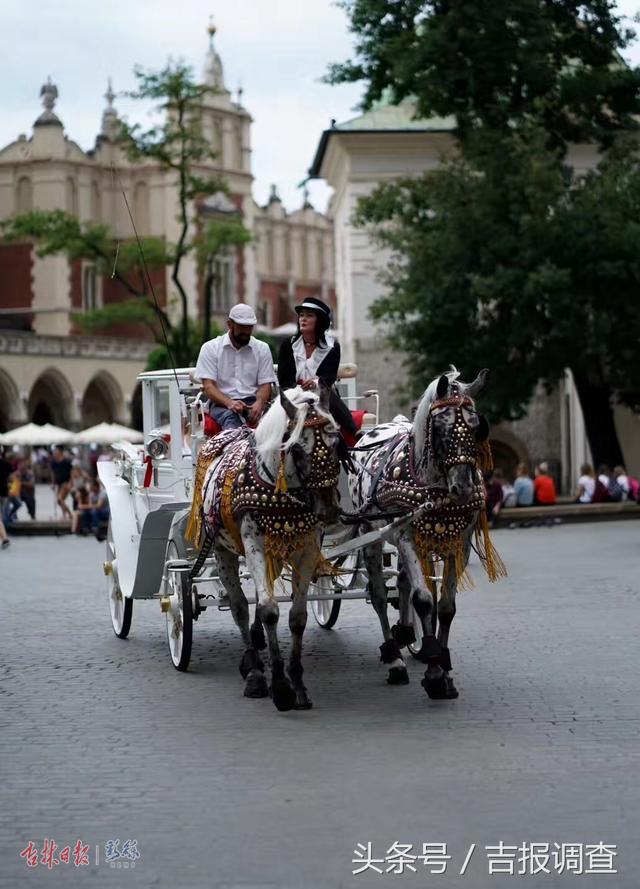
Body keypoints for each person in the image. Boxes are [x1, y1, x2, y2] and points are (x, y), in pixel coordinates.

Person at [277, 296, 358, 436]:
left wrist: (314, 383)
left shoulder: (332, 348)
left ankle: (354, 433)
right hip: (292, 393)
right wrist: (298, 389)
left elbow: (328, 378)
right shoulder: (287, 345)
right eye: (301, 315)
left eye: (309, 315)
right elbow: (284, 379)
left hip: (321, 395)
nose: (303, 319)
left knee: (327, 393)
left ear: (319, 321)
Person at [194, 303, 276, 431]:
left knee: (277, 423)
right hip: (221, 404)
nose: (246, 331)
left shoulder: (262, 348)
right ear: (229, 324)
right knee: (231, 419)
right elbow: (208, 387)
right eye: (241, 326)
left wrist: (260, 403)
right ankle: (235, 449)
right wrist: (229, 403)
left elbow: (265, 384)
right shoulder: (210, 348)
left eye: (249, 327)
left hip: (252, 401)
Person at [50, 446, 74, 519]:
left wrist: (71, 482)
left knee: (60, 499)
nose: (54, 453)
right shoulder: (53, 462)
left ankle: (70, 514)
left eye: (56, 451)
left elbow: (71, 472)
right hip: (59, 483)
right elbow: (53, 473)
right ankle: (65, 514)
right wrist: (53, 483)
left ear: (60, 452)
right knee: (59, 501)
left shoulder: (66, 461)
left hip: (66, 483)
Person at [0, 448, 12, 518]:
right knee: (3, 511)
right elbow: (10, 479)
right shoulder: (7, 465)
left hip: (4, 491)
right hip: (4, 491)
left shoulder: (7, 464)